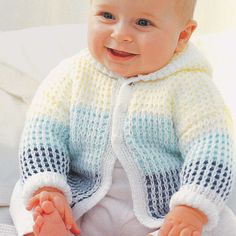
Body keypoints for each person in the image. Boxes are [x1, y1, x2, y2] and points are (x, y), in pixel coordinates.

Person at [9, 0, 236, 235]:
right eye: (107, 15)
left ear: (182, 36)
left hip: (164, 213)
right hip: (80, 205)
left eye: (143, 22)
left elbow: (211, 149)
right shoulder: (72, 74)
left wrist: (191, 208)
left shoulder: (191, 85)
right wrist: (50, 189)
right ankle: (50, 223)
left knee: (218, 220)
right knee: (27, 191)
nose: (120, 34)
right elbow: (42, 132)